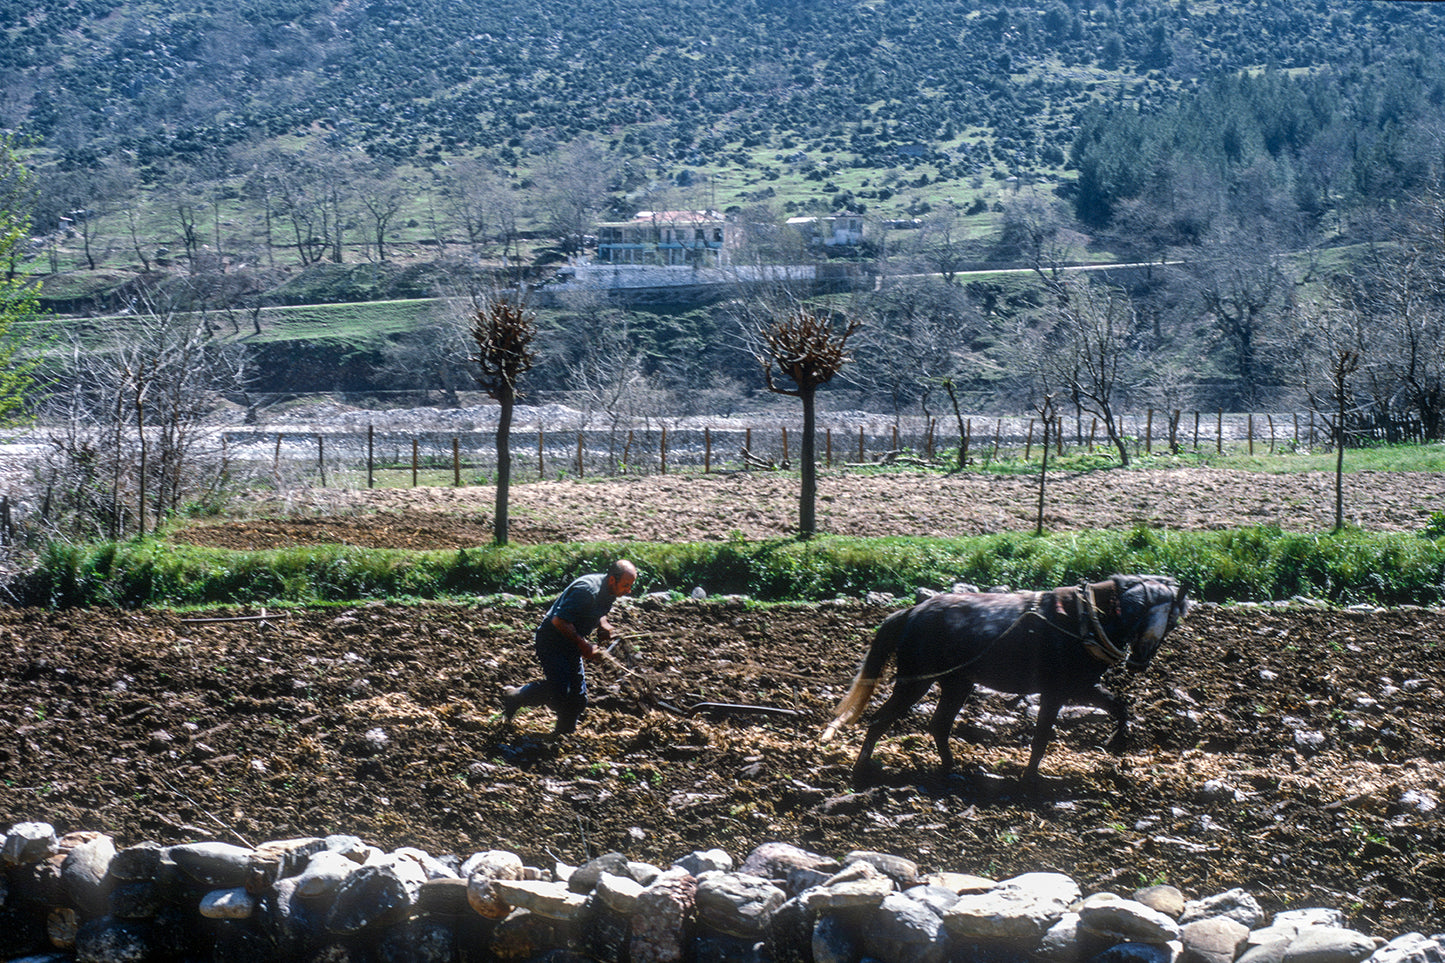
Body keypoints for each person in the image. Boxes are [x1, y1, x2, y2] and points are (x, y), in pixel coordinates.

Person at [500, 559, 637, 734]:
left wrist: (603, 624)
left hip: (571, 643)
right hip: (552, 641)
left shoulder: (609, 590)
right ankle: (515, 696)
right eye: (626, 585)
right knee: (560, 690)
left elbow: (597, 611)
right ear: (612, 580)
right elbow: (559, 620)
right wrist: (584, 645)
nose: (628, 590)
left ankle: (563, 736)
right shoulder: (587, 591)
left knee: (578, 699)